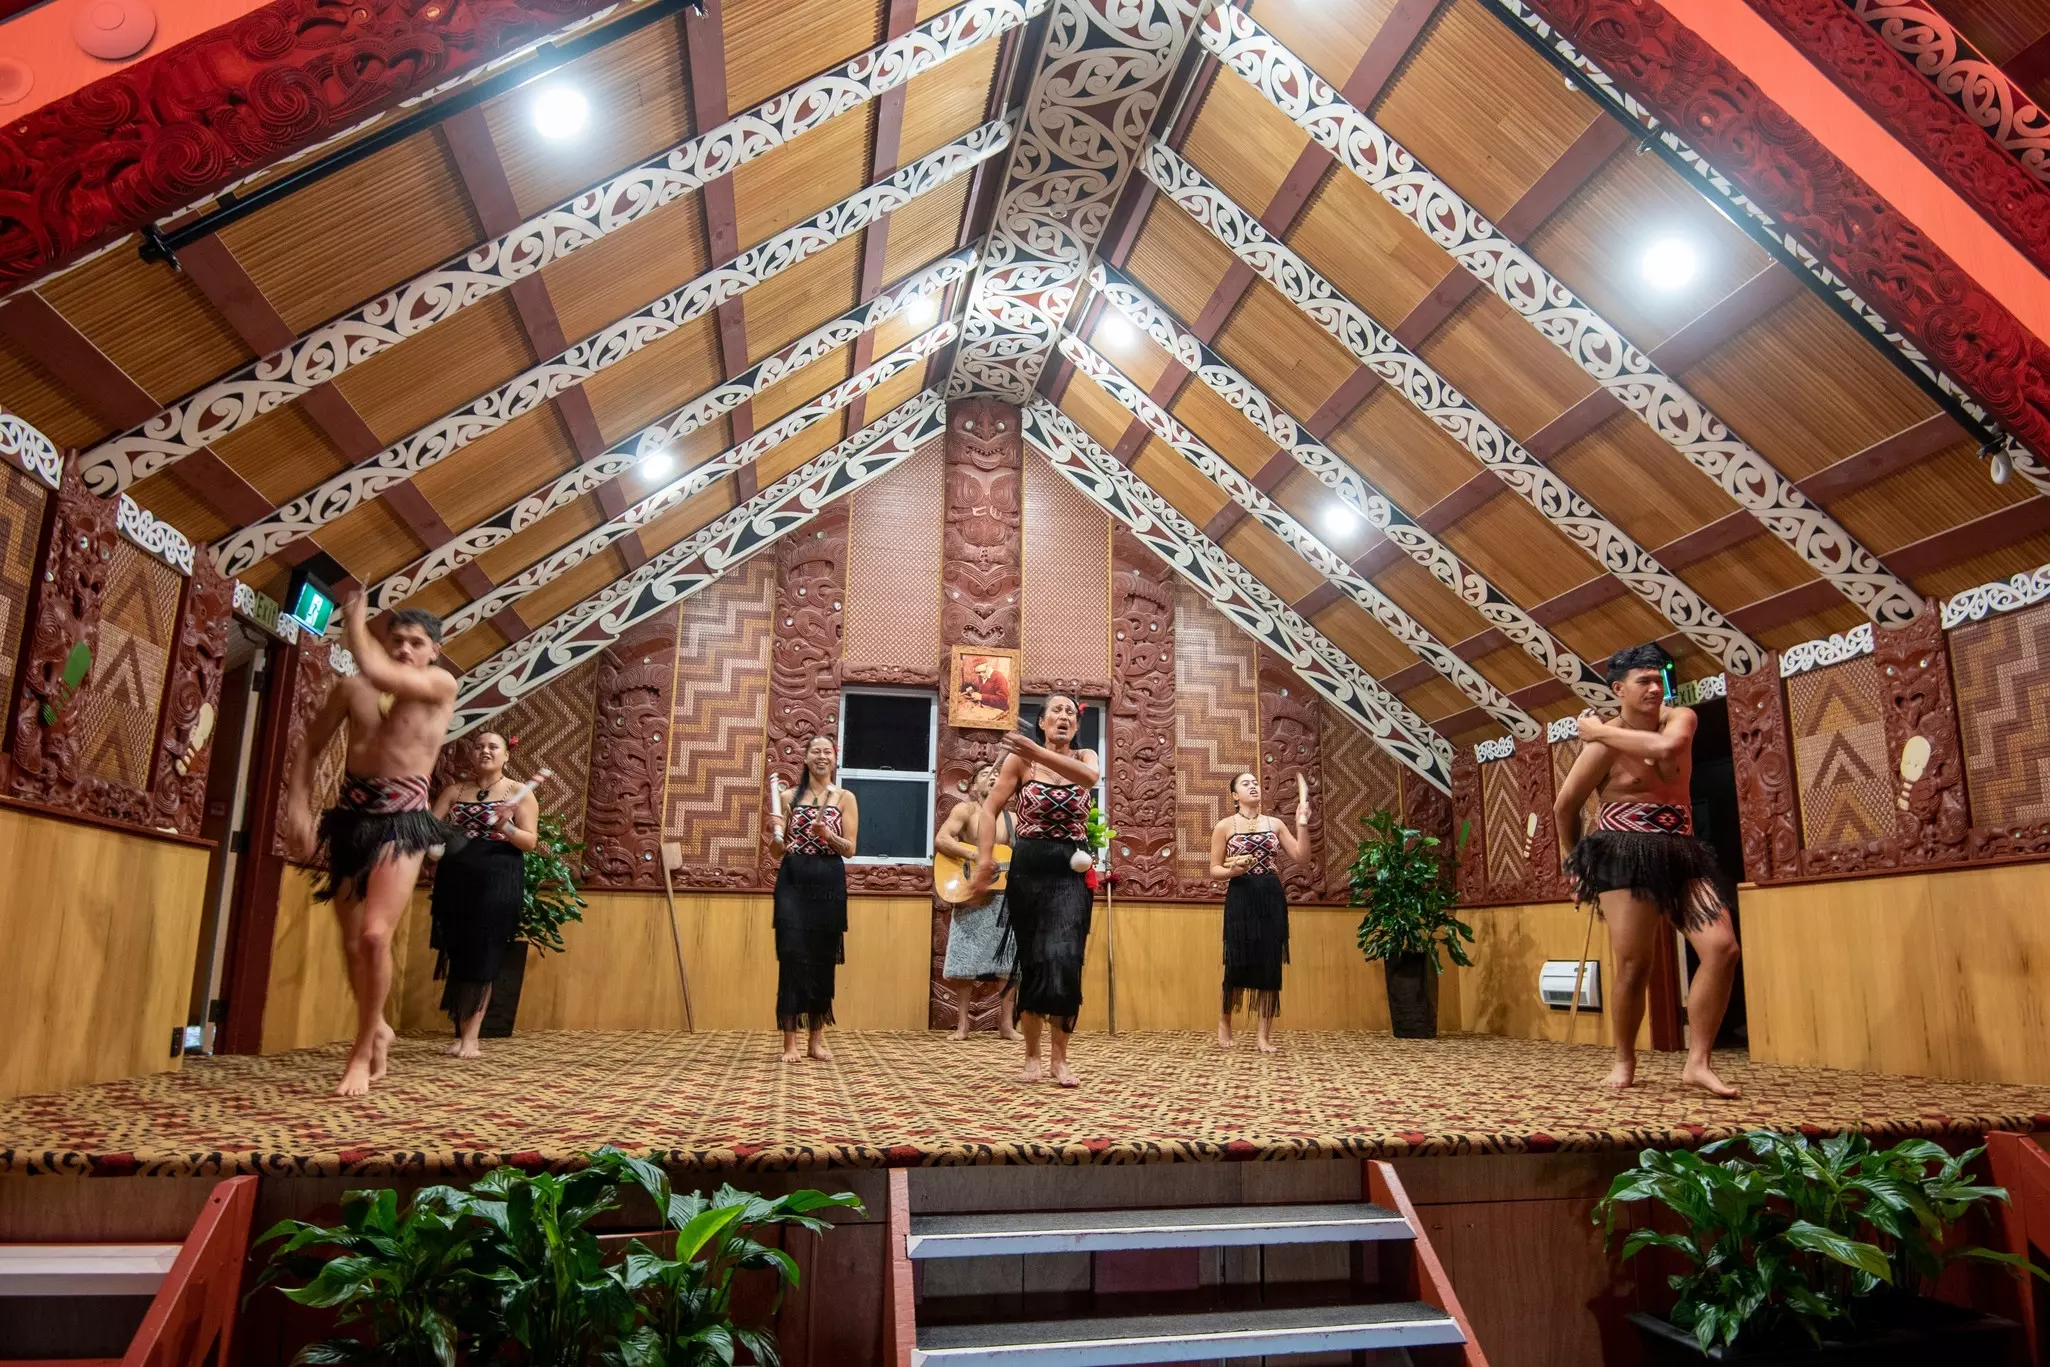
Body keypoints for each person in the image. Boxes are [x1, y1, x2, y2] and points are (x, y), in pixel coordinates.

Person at [282, 598, 457, 1098]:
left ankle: (361, 1052)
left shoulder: (437, 687)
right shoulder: (351, 688)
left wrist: (355, 624)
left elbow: (379, 668)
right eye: (395, 640)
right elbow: (309, 747)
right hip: (350, 820)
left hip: (404, 823)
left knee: (378, 936)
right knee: (354, 941)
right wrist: (298, 806)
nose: (404, 649)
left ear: (433, 653)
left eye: (415, 643)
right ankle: (377, 1026)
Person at [1554, 643, 1742, 1098]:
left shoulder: (1680, 720)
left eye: (1660, 680)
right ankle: (1624, 1059)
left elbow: (1665, 747)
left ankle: (1698, 1062)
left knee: (1722, 948)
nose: (1656, 688)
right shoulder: (1602, 749)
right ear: (1619, 689)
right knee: (1636, 965)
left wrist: (1596, 730)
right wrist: (1575, 866)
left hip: (1681, 850)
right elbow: (1565, 806)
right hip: (1622, 851)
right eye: (1644, 681)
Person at [970, 695, 1101, 1087]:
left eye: (1069, 714)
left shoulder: (1085, 758)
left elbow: (1090, 781)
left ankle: (1060, 1058)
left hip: (1069, 869)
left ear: (1075, 727)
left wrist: (1035, 751)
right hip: (1029, 867)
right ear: (1042, 722)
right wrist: (983, 860)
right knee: (1032, 962)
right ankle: (1031, 1057)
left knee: (1064, 960)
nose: (1063, 717)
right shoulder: (1020, 762)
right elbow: (989, 810)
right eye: (1055, 712)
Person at [428, 731, 538, 1060]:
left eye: (493, 746)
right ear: (471, 755)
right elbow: (432, 830)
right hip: (455, 876)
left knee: (483, 950)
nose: (484, 751)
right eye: (478, 746)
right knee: (459, 951)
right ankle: (462, 1035)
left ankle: (472, 1039)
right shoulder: (455, 790)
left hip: (498, 877)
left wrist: (505, 825)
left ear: (507, 756)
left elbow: (530, 842)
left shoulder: (519, 793)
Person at [767, 735, 858, 1063]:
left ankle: (816, 1040)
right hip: (793, 879)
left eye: (827, 752)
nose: (821, 756)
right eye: (815, 751)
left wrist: (828, 835)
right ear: (805, 758)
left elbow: (850, 849)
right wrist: (777, 833)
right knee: (792, 958)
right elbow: (776, 850)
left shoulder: (845, 797)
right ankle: (790, 1043)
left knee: (822, 960)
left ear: (834, 758)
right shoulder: (788, 796)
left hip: (829, 881)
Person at [1209, 771, 1308, 1053]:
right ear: (1234, 795)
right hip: (1241, 893)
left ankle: (1264, 1035)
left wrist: (1302, 824)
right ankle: (1225, 1020)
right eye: (1246, 783)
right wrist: (1233, 869)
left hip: (1270, 894)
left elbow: (1301, 857)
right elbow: (1214, 870)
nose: (1253, 786)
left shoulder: (1274, 823)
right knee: (1237, 960)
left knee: (1270, 963)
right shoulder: (1225, 826)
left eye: (1255, 783)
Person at [935, 763, 1019, 1041]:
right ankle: (962, 1025)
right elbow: (942, 839)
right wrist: (977, 857)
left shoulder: (1012, 820)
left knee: (1009, 962)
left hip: (1005, 898)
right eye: (985, 774)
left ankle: (1006, 1025)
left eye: (997, 774)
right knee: (965, 962)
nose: (993, 776)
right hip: (971, 893)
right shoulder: (965, 811)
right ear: (972, 786)